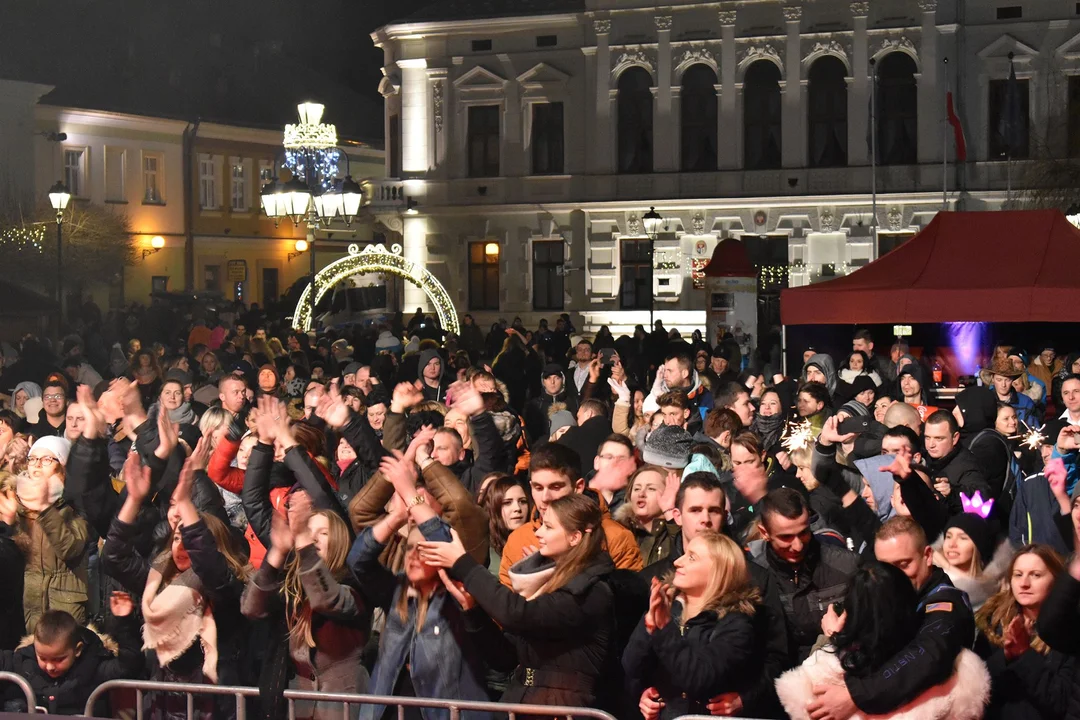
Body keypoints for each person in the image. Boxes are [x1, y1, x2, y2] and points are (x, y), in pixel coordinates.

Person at [420, 493, 616, 709]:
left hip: (562, 709)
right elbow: (504, 658)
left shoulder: (592, 592)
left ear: (575, 537)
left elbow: (516, 614)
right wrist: (473, 609)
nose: (539, 533)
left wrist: (463, 564)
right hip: (524, 702)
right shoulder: (554, 585)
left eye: (549, 527)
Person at [101, 449, 252, 717]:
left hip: (213, 707)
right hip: (161, 705)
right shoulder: (157, 582)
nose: (182, 546)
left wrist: (185, 502)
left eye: (190, 540)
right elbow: (113, 556)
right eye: (177, 539)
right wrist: (134, 500)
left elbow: (208, 565)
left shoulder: (226, 588)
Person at [806, 516, 977, 718]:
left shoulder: (946, 606)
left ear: (928, 555)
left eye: (903, 564)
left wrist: (855, 696)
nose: (894, 577)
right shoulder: (885, 596)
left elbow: (926, 656)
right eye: (886, 568)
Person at [776, 561, 990, 720]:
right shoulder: (961, 673)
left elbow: (795, 693)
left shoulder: (818, 672)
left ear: (852, 610)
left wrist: (832, 641)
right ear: (909, 602)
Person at [241, 491, 370, 720]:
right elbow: (251, 608)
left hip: (342, 706)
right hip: (295, 705)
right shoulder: (292, 586)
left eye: (323, 533)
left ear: (338, 540)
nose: (313, 539)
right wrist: (277, 553)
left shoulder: (354, 583)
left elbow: (327, 599)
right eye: (309, 532)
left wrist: (302, 538)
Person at [622, 531, 760, 719]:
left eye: (692, 558)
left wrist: (663, 628)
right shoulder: (669, 607)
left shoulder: (735, 624)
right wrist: (649, 624)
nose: (678, 561)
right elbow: (632, 667)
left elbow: (699, 678)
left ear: (718, 571)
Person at [497, 443, 641, 586]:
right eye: (538, 488)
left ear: (578, 487)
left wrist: (555, 574)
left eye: (556, 487)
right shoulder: (519, 540)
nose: (545, 497)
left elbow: (626, 603)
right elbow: (505, 605)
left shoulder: (616, 539)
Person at [750, 488, 859, 663]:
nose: (798, 545)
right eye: (786, 537)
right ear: (764, 533)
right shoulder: (755, 579)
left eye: (803, 533)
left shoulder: (847, 567)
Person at [976, 544, 1074, 719]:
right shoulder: (992, 622)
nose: (1024, 583)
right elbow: (976, 687)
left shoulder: (1069, 631)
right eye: (1018, 575)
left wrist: (1025, 655)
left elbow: (1062, 702)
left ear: (1056, 580)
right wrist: (1005, 657)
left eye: (1036, 575)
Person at [0, 436, 89, 630]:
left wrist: (45, 510)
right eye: (33, 459)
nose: (37, 465)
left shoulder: (74, 504)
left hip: (62, 609)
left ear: (63, 465)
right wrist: (7, 523)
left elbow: (70, 550)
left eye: (47, 459)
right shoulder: (11, 501)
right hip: (21, 604)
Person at [0, 598, 144, 716]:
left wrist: (124, 623)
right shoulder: (24, 660)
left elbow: (128, 666)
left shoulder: (95, 664)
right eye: (42, 658)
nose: (49, 666)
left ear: (78, 650)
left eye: (58, 659)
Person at [923, 410, 993, 517]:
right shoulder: (923, 457)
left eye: (939, 438)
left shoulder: (968, 465)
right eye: (927, 437)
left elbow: (983, 498)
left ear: (955, 438)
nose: (931, 444)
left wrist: (952, 493)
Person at [479, 474, 531, 573]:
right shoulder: (482, 545)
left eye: (523, 501)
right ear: (494, 508)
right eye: (507, 503)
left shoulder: (538, 538)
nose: (517, 508)